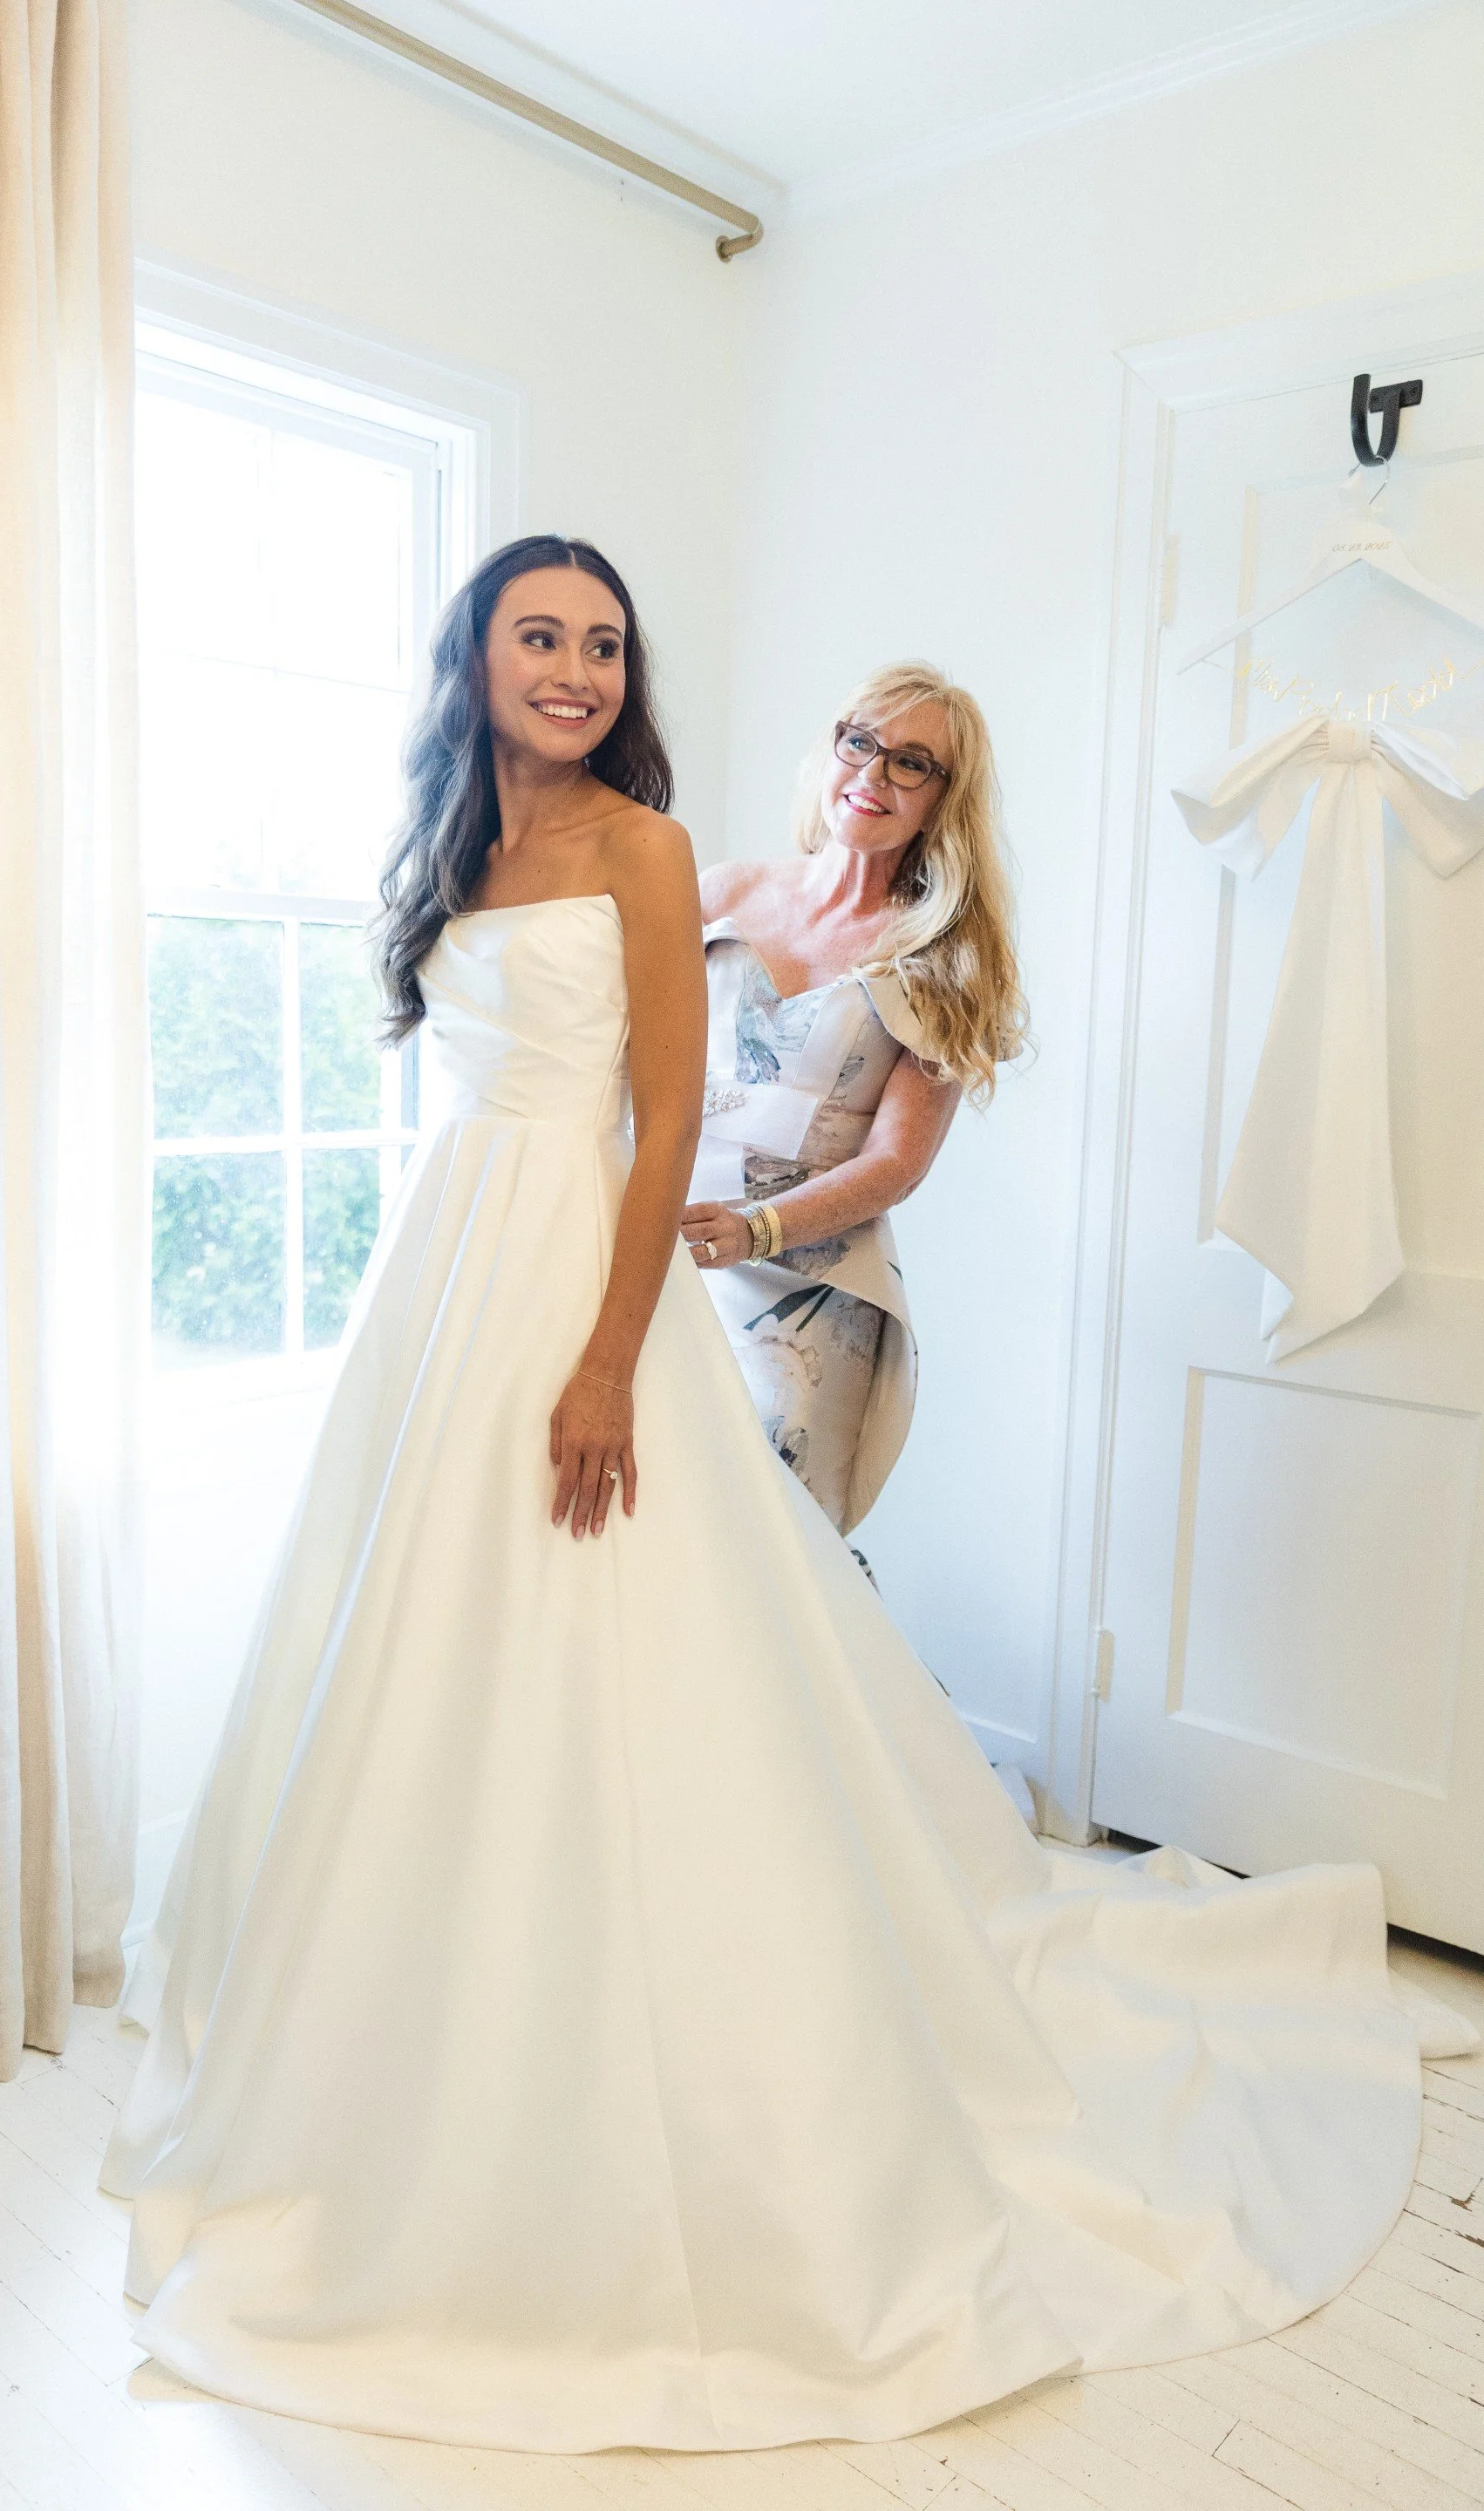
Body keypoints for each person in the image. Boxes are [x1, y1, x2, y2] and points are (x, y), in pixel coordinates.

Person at [101, 534, 1462, 2456]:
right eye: (540, 636)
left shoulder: (673, 859)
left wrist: (606, 1351)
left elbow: (680, 1119)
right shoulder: (503, 853)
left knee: (699, 1608)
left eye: (603, 643)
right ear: (473, 658)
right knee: (434, 1616)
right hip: (458, 1260)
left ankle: (694, 2003)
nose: (576, 668)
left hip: (687, 1273)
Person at [682, 664, 1022, 1536]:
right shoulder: (722, 893)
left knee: (769, 1541)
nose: (874, 774)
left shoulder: (942, 957)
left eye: (911, 762)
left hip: (805, 1290)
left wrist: (754, 1230)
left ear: (944, 799)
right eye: (860, 742)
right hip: (668, 1250)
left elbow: (897, 1161)